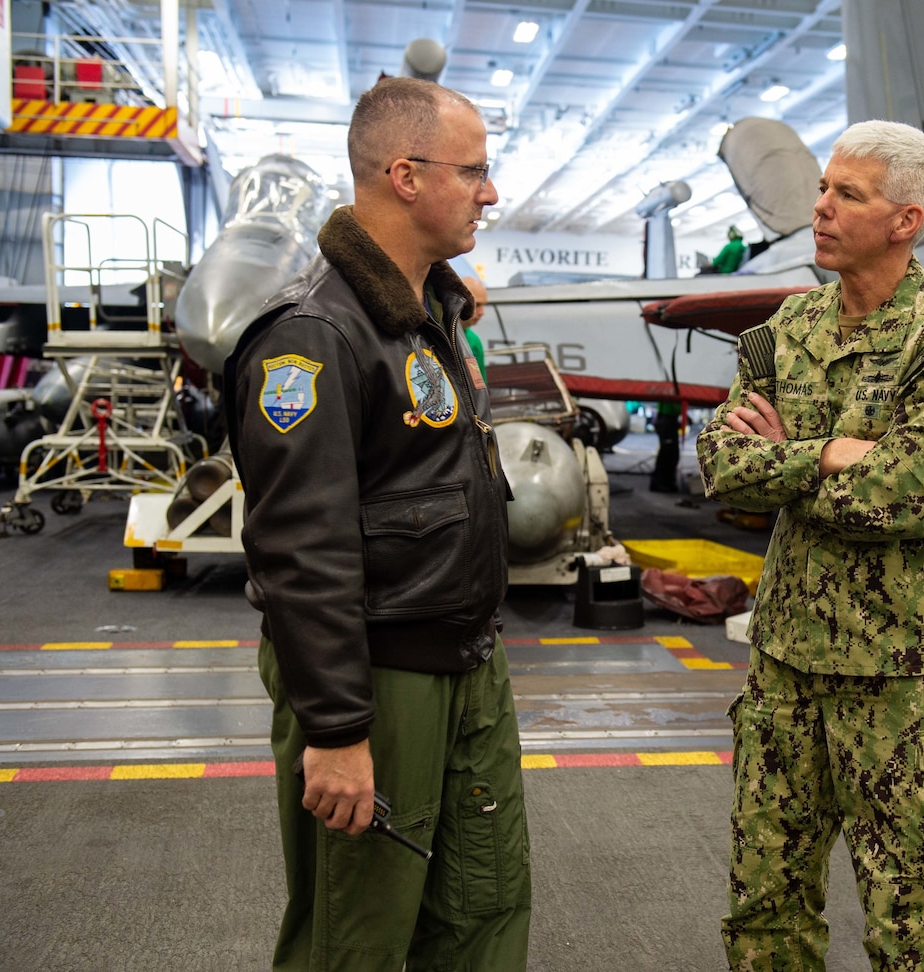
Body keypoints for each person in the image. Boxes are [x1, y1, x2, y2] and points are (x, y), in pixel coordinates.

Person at [224, 77, 530, 971]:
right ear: (405, 174)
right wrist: (336, 729)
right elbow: (300, 552)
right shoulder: (313, 335)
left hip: (464, 655)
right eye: (473, 170)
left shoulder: (427, 313)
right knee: (354, 939)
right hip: (378, 679)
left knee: (483, 905)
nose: (490, 190)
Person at [698, 119, 924, 971]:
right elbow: (724, 467)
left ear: (905, 220)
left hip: (904, 680)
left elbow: (907, 495)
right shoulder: (783, 331)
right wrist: (828, 452)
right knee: (765, 901)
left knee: (911, 916)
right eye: (824, 188)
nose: (820, 208)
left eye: (847, 195)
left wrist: (785, 459)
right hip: (787, 666)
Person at [649, 399, 682, 492]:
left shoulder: (667, 390)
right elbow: (676, 407)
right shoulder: (672, 390)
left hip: (666, 420)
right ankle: (663, 483)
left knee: (666, 453)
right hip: (667, 422)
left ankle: (662, 482)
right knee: (669, 454)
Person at [461, 274, 489, 379]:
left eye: (484, 305)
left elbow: (481, 385)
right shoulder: (436, 335)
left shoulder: (474, 340)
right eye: (477, 305)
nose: (482, 312)